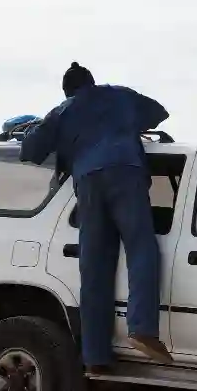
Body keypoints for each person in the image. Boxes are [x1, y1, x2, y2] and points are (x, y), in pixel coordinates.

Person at [19, 61, 173, 374]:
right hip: (125, 172)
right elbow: (159, 113)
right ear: (93, 82)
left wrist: (37, 128)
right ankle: (142, 328)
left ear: (67, 91)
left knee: (94, 269)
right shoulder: (119, 96)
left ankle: (96, 356)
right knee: (141, 246)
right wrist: (127, 123)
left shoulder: (63, 112)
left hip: (89, 182)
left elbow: (30, 150)